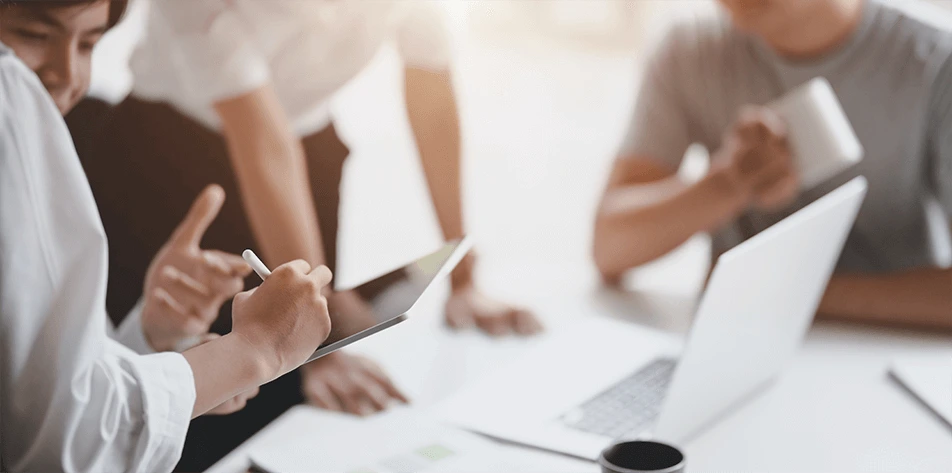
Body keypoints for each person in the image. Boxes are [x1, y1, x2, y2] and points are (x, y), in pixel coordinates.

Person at [67, 1, 544, 469]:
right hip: (164, 163)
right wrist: (316, 341)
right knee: (189, 401)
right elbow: (261, 139)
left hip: (308, 149)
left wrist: (465, 281)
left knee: (294, 408)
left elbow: (431, 95)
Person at [0, 1, 335, 471]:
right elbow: (64, 441)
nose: (68, 74)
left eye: (89, 43)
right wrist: (252, 350)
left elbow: (36, 387)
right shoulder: (9, 99)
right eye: (34, 35)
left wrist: (145, 338)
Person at [594, 0, 952, 329]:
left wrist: (787, 292)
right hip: (737, 341)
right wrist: (726, 184)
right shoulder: (690, 49)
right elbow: (609, 248)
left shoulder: (936, 58)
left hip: (889, 349)